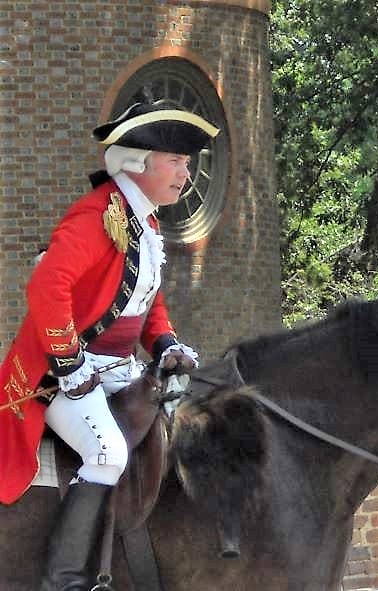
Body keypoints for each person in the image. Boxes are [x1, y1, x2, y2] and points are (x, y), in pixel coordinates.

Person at [0, 97, 219, 590]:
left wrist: (164, 344)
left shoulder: (144, 219)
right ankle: (65, 581)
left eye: (186, 164)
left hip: (116, 368)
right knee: (108, 453)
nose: (184, 174)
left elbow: (145, 299)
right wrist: (68, 361)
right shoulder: (96, 215)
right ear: (138, 163)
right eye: (176, 162)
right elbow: (45, 287)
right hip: (55, 374)